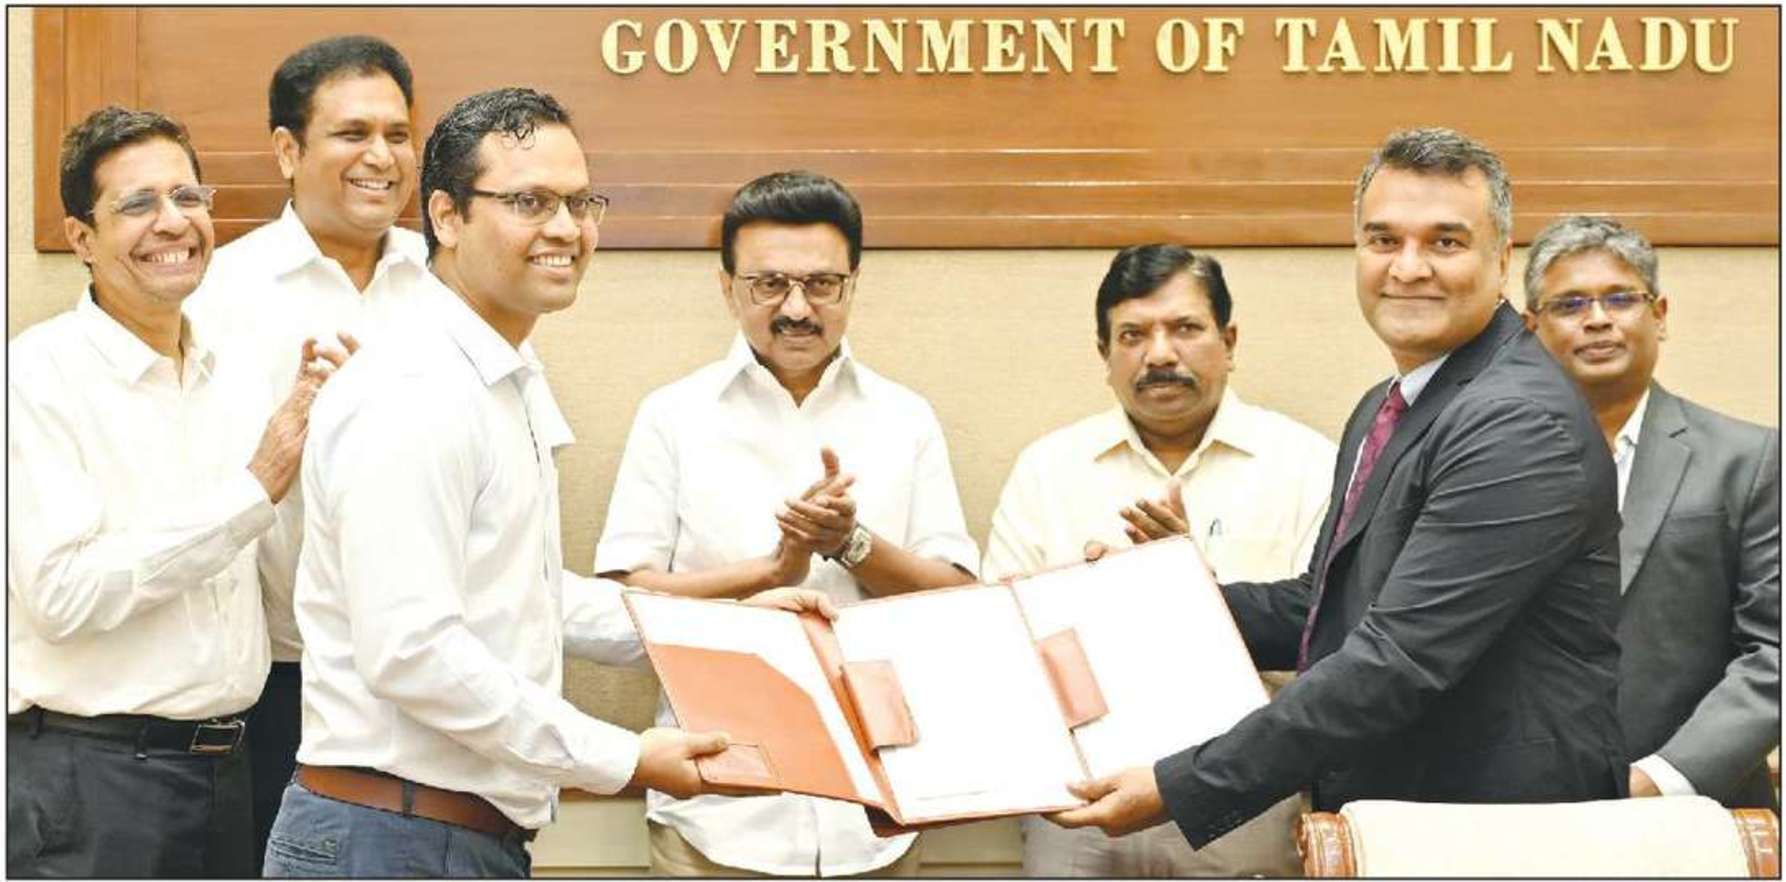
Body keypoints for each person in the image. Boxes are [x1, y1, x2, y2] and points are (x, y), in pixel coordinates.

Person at [264, 88, 832, 878]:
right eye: (530, 202)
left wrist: (725, 631)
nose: (567, 229)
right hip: (389, 842)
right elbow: (414, 652)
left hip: (448, 838)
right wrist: (623, 757)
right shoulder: (415, 387)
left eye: (579, 202)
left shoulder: (501, 374)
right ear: (447, 216)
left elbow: (530, 596)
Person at [1050, 127, 1627, 847]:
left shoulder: (1517, 421)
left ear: (1501, 258)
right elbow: (1323, 606)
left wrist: (1183, 785)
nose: (1408, 268)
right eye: (1384, 240)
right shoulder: (1391, 405)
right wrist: (1154, 601)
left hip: (1498, 836)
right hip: (1403, 824)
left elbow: (1399, 658)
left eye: (1445, 242)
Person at [594, 170, 980, 876]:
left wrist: (850, 544)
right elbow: (626, 601)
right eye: (769, 284)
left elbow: (957, 603)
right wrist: (770, 571)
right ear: (727, 288)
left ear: (853, 284)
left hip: (878, 817)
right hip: (715, 814)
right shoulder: (673, 416)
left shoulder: (905, 417)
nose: (797, 308)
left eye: (821, 284)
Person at [7, 106, 340, 877]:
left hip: (236, 766)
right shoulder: (36, 375)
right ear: (81, 238)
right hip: (95, 784)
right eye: (137, 204)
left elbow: (270, 572)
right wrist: (253, 491)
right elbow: (61, 594)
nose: (173, 222)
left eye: (188, 197)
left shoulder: (234, 372)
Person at [983, 244, 1334, 876]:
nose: (1161, 354)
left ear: (1229, 341)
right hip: (1081, 810)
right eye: (1133, 335)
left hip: (1241, 808)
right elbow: (1000, 643)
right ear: (1104, 355)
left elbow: (1328, 642)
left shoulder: (1307, 467)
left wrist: (1193, 593)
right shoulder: (1048, 470)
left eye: (1185, 328)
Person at [184, 34, 425, 857]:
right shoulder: (216, 291)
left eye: (398, 134)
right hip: (277, 683)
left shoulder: (451, 281)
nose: (381, 157)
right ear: (287, 151)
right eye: (353, 133)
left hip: (431, 677)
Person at [1523, 214, 1779, 809]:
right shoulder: (1492, 462)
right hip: (1518, 811)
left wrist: (1662, 780)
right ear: (1532, 329)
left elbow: (1775, 652)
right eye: (1570, 304)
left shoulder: (1750, 460)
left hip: (1700, 812)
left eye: (1620, 298)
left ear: (1659, 315)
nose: (1597, 319)